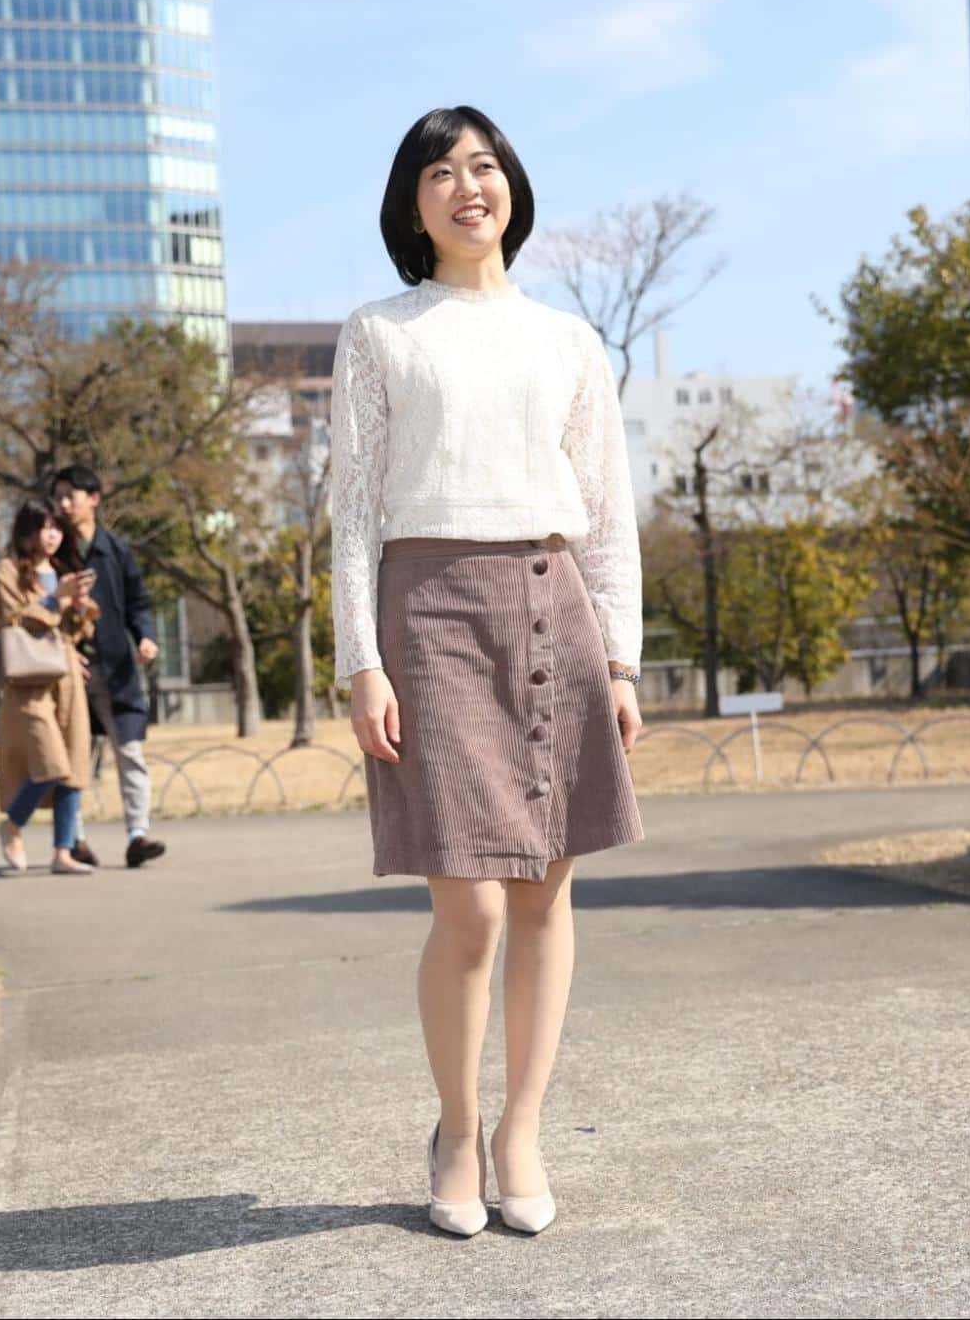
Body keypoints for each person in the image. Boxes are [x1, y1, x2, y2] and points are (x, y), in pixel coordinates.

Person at [329, 106, 645, 1238]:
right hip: (431, 611)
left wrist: (620, 655)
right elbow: (354, 513)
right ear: (410, 205)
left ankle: (523, 1129)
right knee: (465, 901)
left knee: (545, 889)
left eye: (484, 166)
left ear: (511, 185)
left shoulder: (568, 341)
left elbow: (608, 513)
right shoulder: (381, 333)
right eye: (440, 172)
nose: (468, 186)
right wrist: (360, 661)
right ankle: (456, 1127)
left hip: (551, 603)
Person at [51, 466, 168, 870]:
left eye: (72, 495)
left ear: (94, 498)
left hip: (118, 671)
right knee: (74, 757)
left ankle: (138, 834)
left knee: (130, 750)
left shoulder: (116, 551)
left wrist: (146, 637)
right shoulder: (53, 553)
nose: (65, 504)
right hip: (70, 674)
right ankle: (74, 841)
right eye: (60, 497)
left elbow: (139, 602)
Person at [0, 498, 97, 875]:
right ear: (27, 531)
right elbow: (16, 618)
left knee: (74, 767)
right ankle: (13, 824)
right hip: (29, 682)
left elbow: (77, 631)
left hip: (67, 675)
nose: (51, 536)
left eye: (56, 528)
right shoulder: (7, 571)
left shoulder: (62, 570)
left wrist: (82, 607)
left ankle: (63, 852)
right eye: (43, 527)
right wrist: (57, 599)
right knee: (51, 763)